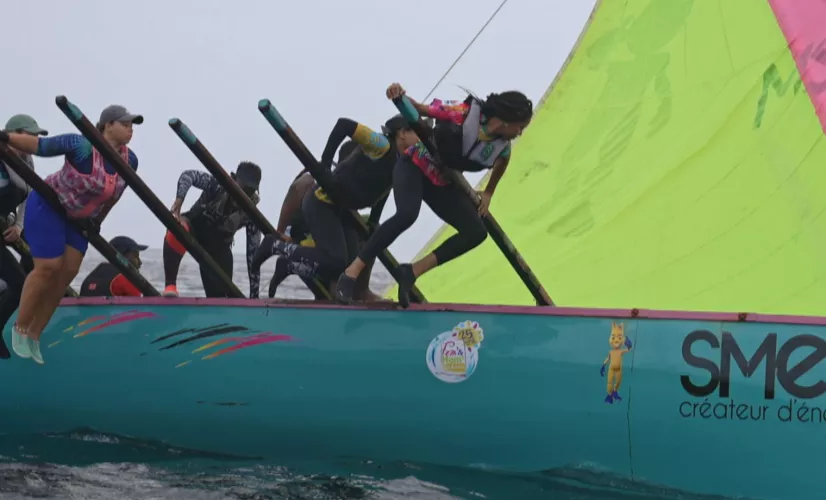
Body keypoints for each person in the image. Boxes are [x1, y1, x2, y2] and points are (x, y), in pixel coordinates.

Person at [336, 83, 534, 307]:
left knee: (476, 232)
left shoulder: (503, 148)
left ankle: (410, 272)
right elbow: (421, 110)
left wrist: (489, 192)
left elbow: (502, 164)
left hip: (439, 181)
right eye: (520, 127)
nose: (520, 133)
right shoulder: (464, 113)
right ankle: (351, 273)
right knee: (407, 215)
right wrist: (399, 96)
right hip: (415, 165)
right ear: (508, 120)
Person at [0, 104, 143, 363]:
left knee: (68, 272)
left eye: (132, 125)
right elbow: (39, 146)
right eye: (125, 124)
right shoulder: (80, 145)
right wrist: (6, 137)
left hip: (78, 219)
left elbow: (113, 197)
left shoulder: (129, 160)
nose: (130, 130)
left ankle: (34, 334)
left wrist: (98, 221)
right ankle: (18, 329)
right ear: (108, 125)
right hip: (49, 205)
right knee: (48, 267)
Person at [252, 115, 425, 300]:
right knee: (335, 258)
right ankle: (274, 246)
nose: (421, 143)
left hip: (343, 211)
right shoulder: (382, 145)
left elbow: (384, 189)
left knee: (345, 268)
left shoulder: (402, 163)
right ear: (403, 133)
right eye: (418, 135)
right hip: (322, 201)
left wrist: (374, 220)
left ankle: (288, 265)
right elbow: (343, 125)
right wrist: (325, 162)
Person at [266, 140, 382, 300]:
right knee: (337, 257)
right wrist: (280, 231)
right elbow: (298, 187)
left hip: (331, 234)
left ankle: (360, 290)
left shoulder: (355, 182)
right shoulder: (325, 174)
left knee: (368, 230)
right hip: (304, 235)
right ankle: (291, 266)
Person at [163, 162, 263, 298]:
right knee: (177, 228)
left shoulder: (251, 215)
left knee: (221, 295)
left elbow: (254, 257)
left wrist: (254, 296)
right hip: (195, 228)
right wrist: (179, 200)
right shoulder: (217, 184)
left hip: (218, 247)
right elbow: (188, 175)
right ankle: (170, 286)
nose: (244, 195)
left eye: (250, 191)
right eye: (242, 188)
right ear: (233, 179)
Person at [0, 114, 48, 347]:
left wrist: (19, 226)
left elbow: (27, 198)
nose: (34, 143)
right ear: (13, 135)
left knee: (42, 252)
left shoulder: (26, 160)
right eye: (32, 136)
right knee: (19, 283)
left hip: (8, 223)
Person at [79, 236, 147, 297]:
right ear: (121, 256)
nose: (140, 262)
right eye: (136, 256)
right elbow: (139, 308)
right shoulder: (126, 278)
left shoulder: (94, 274)